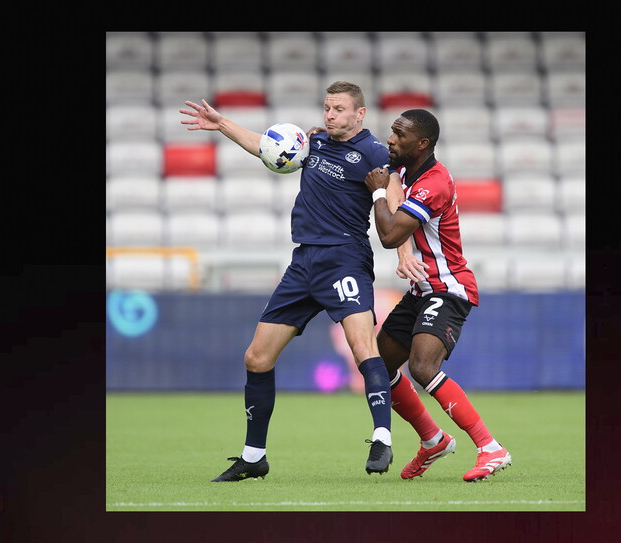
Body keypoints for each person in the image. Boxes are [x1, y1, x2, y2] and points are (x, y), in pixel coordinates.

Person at [180, 81, 394, 481]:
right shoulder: (314, 142)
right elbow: (265, 145)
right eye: (327, 107)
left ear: (359, 113)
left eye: (338, 109)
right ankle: (253, 457)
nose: (329, 114)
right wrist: (222, 123)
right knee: (256, 358)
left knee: (363, 346)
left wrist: (405, 255)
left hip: (344, 259)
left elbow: (393, 206)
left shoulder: (375, 154)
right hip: (303, 263)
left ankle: (382, 438)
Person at [363, 109, 512, 482]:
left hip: (448, 288)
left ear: (422, 144)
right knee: (378, 367)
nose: (391, 139)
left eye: (400, 134)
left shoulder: (435, 183)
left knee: (422, 367)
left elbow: (389, 234)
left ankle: (490, 447)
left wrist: (378, 191)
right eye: (392, 131)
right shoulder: (404, 168)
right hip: (421, 289)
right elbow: (391, 179)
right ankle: (432, 440)